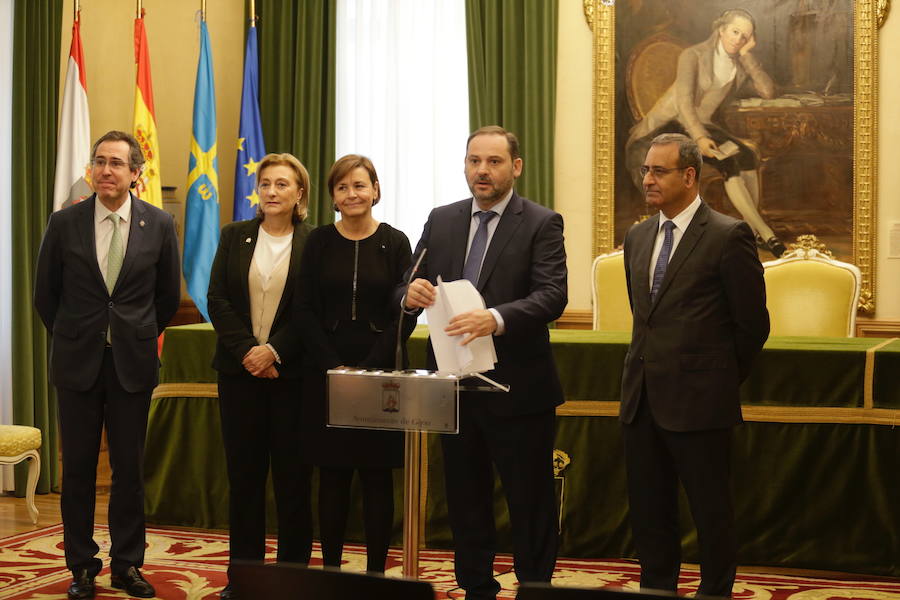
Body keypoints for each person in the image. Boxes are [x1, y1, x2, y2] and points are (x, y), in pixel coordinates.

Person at [402, 126, 567, 600]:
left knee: (528, 499)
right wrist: (408, 296)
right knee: (466, 498)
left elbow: (553, 295)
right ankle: (475, 586)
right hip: (455, 388)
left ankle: (535, 587)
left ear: (515, 167)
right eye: (474, 160)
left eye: (493, 161)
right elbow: (407, 284)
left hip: (519, 389)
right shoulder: (442, 219)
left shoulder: (540, 222)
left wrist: (495, 318)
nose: (482, 170)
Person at [620, 133, 770, 597]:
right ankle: (657, 590)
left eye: (658, 171)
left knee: (711, 513)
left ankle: (715, 592)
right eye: (645, 170)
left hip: (701, 404)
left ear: (689, 175)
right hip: (643, 399)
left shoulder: (728, 235)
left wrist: (716, 379)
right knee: (649, 513)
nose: (647, 179)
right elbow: (644, 316)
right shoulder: (638, 235)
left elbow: (752, 326)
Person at [33, 130, 181, 600]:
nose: (106, 170)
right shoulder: (64, 223)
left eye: (117, 163)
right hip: (76, 363)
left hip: (131, 364)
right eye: (99, 161)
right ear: (90, 170)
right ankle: (81, 566)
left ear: (136, 173)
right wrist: (80, 334)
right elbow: (45, 297)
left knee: (129, 470)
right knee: (76, 468)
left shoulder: (159, 225)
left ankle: (127, 565)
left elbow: (166, 298)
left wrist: (131, 334)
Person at [295, 154, 415, 572]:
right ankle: (330, 571)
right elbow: (304, 308)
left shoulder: (397, 242)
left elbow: (407, 310)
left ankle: (377, 573)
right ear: (333, 196)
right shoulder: (319, 242)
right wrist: (334, 367)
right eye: (343, 187)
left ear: (376, 190)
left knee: (377, 477)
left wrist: (370, 366)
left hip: (380, 373)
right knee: (332, 476)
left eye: (360, 185)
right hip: (325, 371)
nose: (352, 194)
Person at [207, 153, 314, 599]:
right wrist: (250, 352)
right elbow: (216, 298)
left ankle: (292, 578)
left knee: (293, 482)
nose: (271, 192)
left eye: (282, 184)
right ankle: (245, 578)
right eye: (266, 184)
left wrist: (274, 351)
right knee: (245, 482)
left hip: (291, 380)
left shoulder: (316, 242)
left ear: (300, 194)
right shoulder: (235, 236)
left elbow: (314, 311)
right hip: (239, 377)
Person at [625, 8, 786, 258]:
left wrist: (747, 55)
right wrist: (699, 138)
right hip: (671, 125)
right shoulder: (693, 55)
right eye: (735, 32)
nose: (738, 39)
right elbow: (684, 104)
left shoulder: (738, 63)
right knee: (728, 162)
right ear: (721, 29)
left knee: (746, 156)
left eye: (745, 36)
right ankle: (766, 233)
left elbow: (768, 91)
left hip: (701, 125)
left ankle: (753, 231)